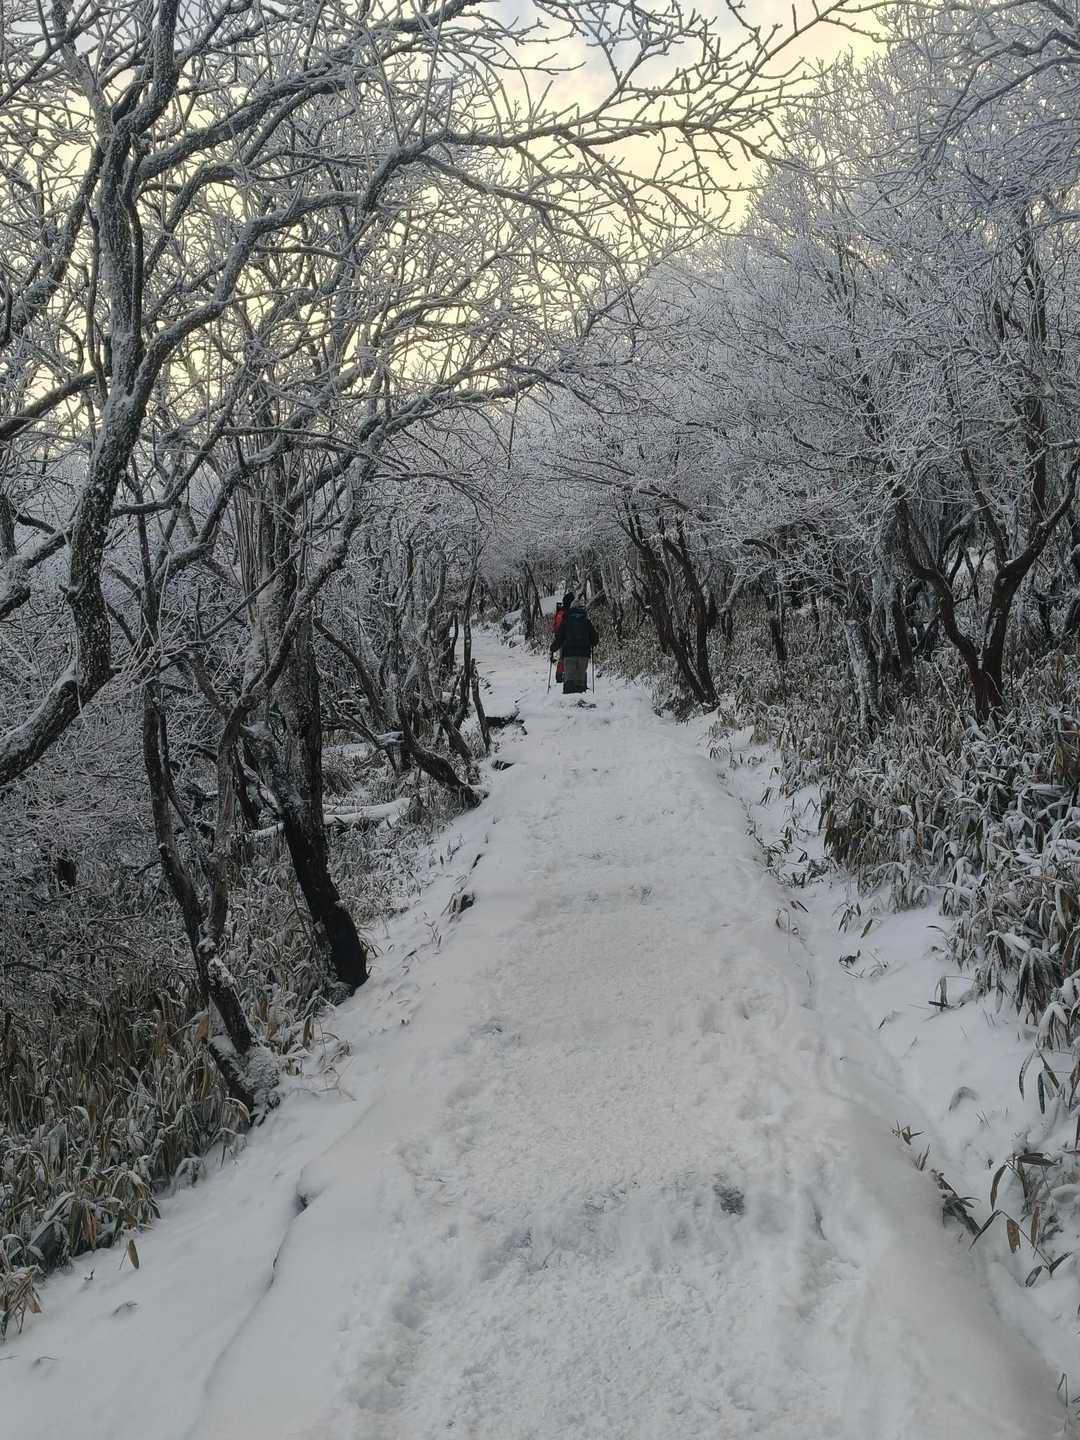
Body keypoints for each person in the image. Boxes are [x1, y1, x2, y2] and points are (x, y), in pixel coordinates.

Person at [550, 591, 597, 694]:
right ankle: (580, 697)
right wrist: (591, 642)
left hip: (569, 654)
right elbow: (595, 639)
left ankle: (569, 698)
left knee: (569, 679)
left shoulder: (566, 621)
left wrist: (553, 648)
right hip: (584, 655)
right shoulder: (586, 622)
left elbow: (559, 638)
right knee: (580, 678)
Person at [551, 598, 565, 685]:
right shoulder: (566, 613)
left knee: (562, 657)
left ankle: (559, 675)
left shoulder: (558, 614)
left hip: (559, 638)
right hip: (566, 637)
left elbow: (555, 627)